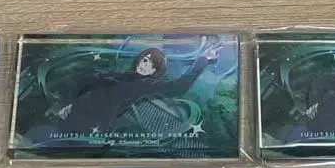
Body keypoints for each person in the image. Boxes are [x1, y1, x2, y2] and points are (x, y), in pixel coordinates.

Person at [59, 46, 220, 132]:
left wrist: (203, 60)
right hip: (71, 117)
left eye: (152, 65)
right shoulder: (121, 75)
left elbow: (178, 86)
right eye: (145, 60)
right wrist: (70, 104)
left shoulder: (145, 84)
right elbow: (90, 86)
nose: (146, 65)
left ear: (156, 71)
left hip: (88, 128)